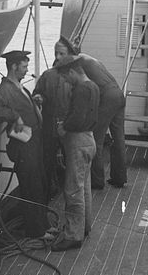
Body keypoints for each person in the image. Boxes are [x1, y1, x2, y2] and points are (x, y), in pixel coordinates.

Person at [0, 50, 50, 238]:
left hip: (33, 143)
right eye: (24, 66)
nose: (26, 70)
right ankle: (36, 232)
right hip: (23, 147)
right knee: (30, 187)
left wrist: (33, 102)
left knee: (39, 184)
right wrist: (15, 116)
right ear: (13, 67)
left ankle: (43, 226)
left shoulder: (19, 86)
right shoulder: (5, 89)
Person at [53, 36, 127, 190]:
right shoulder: (86, 58)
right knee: (118, 138)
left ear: (70, 52)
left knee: (96, 138)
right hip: (118, 94)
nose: (58, 57)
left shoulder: (76, 64)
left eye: (61, 53)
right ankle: (120, 178)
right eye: (56, 54)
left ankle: (96, 180)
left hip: (107, 97)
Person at [48, 55, 99, 250]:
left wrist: (63, 127)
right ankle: (85, 226)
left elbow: (77, 118)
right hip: (89, 139)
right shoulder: (93, 86)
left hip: (78, 141)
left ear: (71, 72)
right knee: (84, 186)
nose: (66, 81)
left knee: (73, 189)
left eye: (66, 77)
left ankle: (73, 235)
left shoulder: (80, 89)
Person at [33, 55, 73, 198]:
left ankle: (56, 189)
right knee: (50, 159)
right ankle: (51, 189)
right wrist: (39, 97)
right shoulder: (47, 76)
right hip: (52, 124)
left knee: (62, 158)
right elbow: (39, 93)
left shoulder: (51, 75)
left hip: (65, 124)